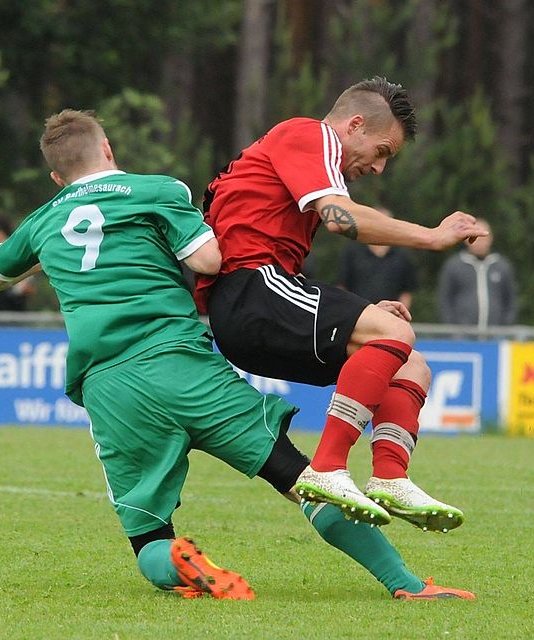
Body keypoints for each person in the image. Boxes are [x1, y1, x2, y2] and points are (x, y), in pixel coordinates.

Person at [0, 109, 473, 602]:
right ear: (108, 149)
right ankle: (403, 582)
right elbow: (209, 259)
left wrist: (48, 250)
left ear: (58, 177)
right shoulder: (159, 191)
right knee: (299, 479)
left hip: (107, 387)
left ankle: (177, 560)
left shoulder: (44, 221)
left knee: (148, 533)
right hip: (180, 364)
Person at [195, 76, 489, 531]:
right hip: (251, 291)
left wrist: (363, 316)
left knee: (410, 365)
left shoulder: (292, 156)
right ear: (354, 125)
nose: (378, 169)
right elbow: (340, 217)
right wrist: (432, 236)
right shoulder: (307, 133)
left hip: (258, 298)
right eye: (383, 152)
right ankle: (328, 467)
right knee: (396, 334)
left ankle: (391, 475)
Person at [436, 219, 518, 328]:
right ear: (467, 239)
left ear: (491, 238)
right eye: (475, 237)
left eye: (483, 237)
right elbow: (445, 300)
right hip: (462, 337)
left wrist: (505, 327)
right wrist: (453, 329)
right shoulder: (454, 266)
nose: (480, 241)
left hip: (495, 337)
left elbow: (510, 300)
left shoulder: (502, 266)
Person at [338, 206, 417, 309]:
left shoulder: (402, 255)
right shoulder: (352, 252)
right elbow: (342, 286)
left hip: (390, 316)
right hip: (358, 315)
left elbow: (406, 292)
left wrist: (400, 315)